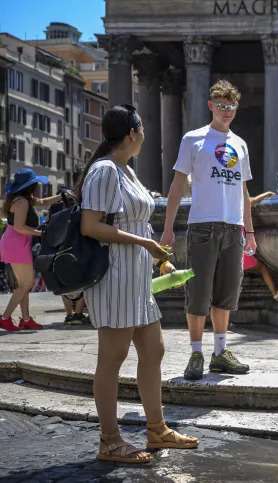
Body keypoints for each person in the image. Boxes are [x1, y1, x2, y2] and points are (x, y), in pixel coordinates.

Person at [78, 104, 198, 463]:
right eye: (142, 128)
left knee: (154, 349)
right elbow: (90, 226)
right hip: (114, 278)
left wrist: (158, 256)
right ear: (132, 133)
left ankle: (157, 430)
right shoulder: (103, 171)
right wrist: (144, 243)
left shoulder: (126, 171)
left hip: (137, 279)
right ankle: (109, 441)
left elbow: (137, 220)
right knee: (111, 360)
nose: (144, 135)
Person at [160, 80, 256, 380]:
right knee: (198, 293)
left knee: (227, 292)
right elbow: (177, 186)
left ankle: (220, 352)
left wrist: (249, 231)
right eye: (222, 106)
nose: (227, 111)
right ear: (211, 105)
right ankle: (196, 353)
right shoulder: (194, 139)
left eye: (231, 107)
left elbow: (244, 192)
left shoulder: (240, 144)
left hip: (233, 227)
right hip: (202, 225)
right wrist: (167, 228)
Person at [0, 168, 63, 332]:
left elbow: (42, 202)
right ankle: (5, 318)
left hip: (15, 243)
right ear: (30, 185)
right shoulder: (22, 202)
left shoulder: (22, 198)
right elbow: (19, 227)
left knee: (23, 285)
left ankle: (26, 319)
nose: (37, 185)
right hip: (16, 244)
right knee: (26, 284)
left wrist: (61, 196)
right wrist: (41, 233)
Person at [244, 191, 278, 302]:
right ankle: (275, 293)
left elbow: (251, 200)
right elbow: (252, 200)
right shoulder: (241, 202)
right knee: (261, 267)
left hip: (231, 250)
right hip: (238, 252)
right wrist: (267, 194)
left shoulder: (231, 204)